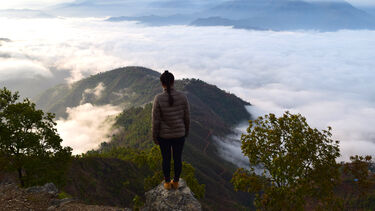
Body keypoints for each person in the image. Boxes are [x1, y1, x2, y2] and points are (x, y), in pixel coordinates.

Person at [152, 70, 190, 190]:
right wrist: (186, 132)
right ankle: (176, 182)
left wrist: (155, 136)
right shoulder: (182, 97)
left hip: (164, 136)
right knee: (178, 158)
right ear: (173, 82)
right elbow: (187, 118)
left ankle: (167, 183)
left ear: (161, 83)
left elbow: (156, 121)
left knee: (166, 159)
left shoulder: (158, 99)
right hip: (180, 134)